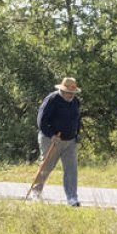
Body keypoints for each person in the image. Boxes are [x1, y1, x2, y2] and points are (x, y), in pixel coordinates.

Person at [31, 77, 83, 206]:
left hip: (70, 141)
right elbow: (41, 121)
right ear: (62, 90)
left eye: (73, 92)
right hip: (51, 139)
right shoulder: (52, 99)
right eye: (68, 92)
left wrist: (76, 134)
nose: (71, 95)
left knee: (71, 169)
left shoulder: (75, 101)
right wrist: (51, 134)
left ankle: (72, 198)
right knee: (47, 166)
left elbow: (77, 119)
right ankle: (36, 192)